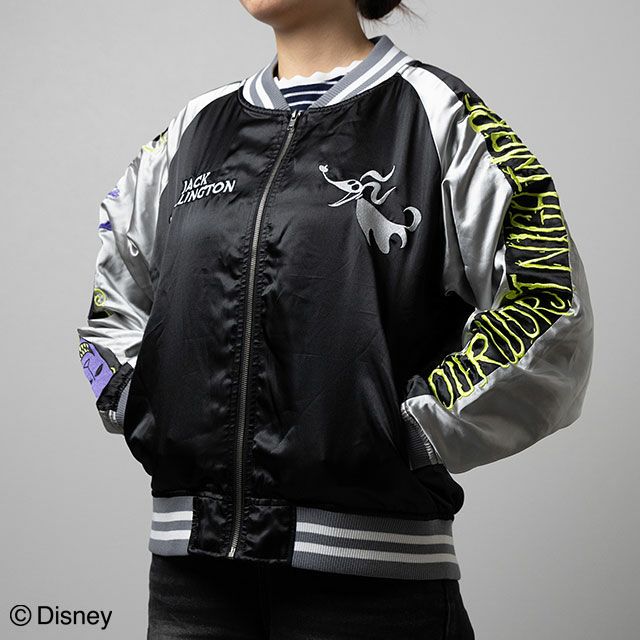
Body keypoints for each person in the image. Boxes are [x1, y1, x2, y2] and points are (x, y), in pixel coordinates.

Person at [76, 0, 594, 637]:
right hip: (192, 586)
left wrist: (410, 427)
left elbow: (549, 300)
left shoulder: (435, 114)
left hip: (371, 586)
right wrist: (138, 403)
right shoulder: (196, 128)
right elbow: (116, 292)